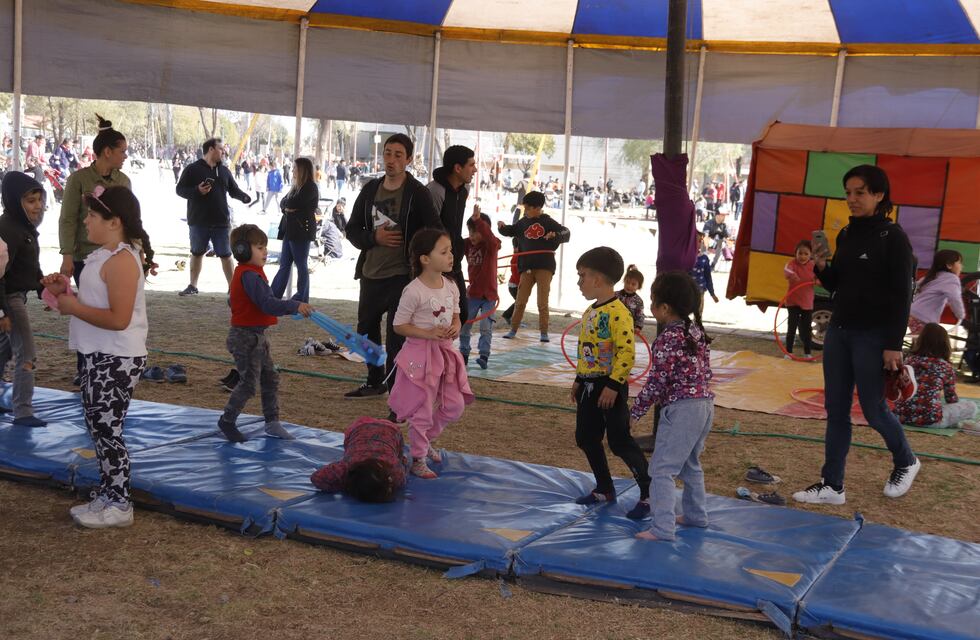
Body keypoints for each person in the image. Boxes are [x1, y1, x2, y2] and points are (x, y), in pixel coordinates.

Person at [793, 165, 919, 505]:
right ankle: (832, 485)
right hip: (839, 332)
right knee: (835, 410)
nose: (851, 199)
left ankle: (906, 460)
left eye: (859, 192)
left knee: (875, 409)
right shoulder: (846, 235)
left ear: (879, 195)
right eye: (848, 192)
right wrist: (821, 268)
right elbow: (838, 285)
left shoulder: (893, 238)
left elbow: (901, 294)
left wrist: (894, 344)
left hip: (874, 336)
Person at [41, 185, 154, 528]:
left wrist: (73, 305)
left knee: (107, 428)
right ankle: (108, 494)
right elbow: (97, 305)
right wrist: (65, 293)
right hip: (98, 353)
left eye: (91, 215)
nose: (86, 221)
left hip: (116, 357)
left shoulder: (121, 260)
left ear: (114, 221)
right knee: (97, 425)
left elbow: (119, 319)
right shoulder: (104, 256)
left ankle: (120, 503)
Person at [343, 133, 440, 399]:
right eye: (388, 153)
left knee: (397, 335)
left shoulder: (417, 193)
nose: (391, 160)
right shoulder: (369, 189)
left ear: (409, 159)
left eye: (398, 155)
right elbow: (351, 230)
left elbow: (435, 230)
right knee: (365, 330)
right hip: (371, 273)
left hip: (402, 276)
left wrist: (423, 261)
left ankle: (398, 390)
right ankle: (375, 381)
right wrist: (374, 237)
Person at [631, 272, 714, 542]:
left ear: (664, 308)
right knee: (690, 463)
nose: (651, 307)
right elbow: (707, 372)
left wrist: (634, 412)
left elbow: (656, 382)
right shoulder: (696, 332)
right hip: (704, 405)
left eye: (653, 302)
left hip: (683, 409)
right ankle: (695, 515)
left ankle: (663, 528)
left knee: (662, 469)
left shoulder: (668, 338)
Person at [388, 228, 474, 478]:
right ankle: (417, 457)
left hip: (446, 353)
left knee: (454, 406)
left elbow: (456, 316)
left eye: (451, 251)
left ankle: (425, 442)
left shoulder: (451, 285)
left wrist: (455, 327)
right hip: (420, 357)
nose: (451, 257)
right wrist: (429, 334)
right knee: (422, 409)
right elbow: (398, 326)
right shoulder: (413, 290)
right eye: (444, 252)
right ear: (425, 259)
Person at [572, 247, 651, 518]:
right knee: (585, 436)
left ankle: (649, 493)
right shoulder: (589, 312)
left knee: (619, 441)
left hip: (610, 387)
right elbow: (586, 348)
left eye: (582, 276)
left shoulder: (619, 312)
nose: (579, 282)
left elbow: (626, 352)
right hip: (589, 386)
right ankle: (604, 487)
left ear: (598, 279)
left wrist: (614, 386)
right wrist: (579, 379)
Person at [217, 224, 313, 443]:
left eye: (264, 247)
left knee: (270, 377)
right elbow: (267, 304)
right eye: (259, 247)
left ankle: (272, 422)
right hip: (245, 338)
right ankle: (227, 420)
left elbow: (234, 300)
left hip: (255, 336)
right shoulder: (249, 276)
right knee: (249, 383)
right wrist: (294, 305)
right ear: (242, 250)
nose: (265, 251)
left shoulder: (249, 274)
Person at [175, 137, 251, 297]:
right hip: (198, 221)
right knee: (197, 252)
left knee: (226, 254)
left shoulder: (224, 171)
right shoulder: (192, 169)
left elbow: (233, 190)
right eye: (221, 149)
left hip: (221, 221)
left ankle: (233, 289)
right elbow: (180, 190)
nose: (224, 151)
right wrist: (197, 191)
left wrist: (244, 197)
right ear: (211, 149)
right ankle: (193, 286)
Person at [0, 172, 47, 427]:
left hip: (15, 296)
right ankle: (23, 411)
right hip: (9, 299)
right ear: (13, 201)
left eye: (39, 199)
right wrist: (4, 313)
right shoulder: (7, 229)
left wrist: (44, 289)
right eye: (30, 201)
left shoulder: (23, 228)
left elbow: (29, 267)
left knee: (2, 352)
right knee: (27, 353)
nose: (37, 206)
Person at [497, 191, 571, 342]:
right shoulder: (523, 222)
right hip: (527, 267)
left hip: (545, 266)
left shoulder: (548, 222)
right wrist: (502, 228)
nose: (525, 211)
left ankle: (544, 332)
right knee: (520, 301)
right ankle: (513, 330)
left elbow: (566, 232)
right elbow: (511, 230)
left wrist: (555, 236)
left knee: (542, 302)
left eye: (527, 208)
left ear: (537, 208)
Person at [427, 145, 477, 325]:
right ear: (457, 168)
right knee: (436, 315)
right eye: (471, 165)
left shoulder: (464, 190)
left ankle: (445, 352)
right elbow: (429, 230)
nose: (475, 170)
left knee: (461, 314)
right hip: (435, 264)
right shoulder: (435, 191)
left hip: (453, 260)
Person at [895, 323, 977, 429]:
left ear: (920, 340)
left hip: (901, 416)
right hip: (931, 420)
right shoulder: (945, 366)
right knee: (972, 406)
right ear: (945, 344)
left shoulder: (908, 360)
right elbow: (951, 398)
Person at [310, 416, 409, 501]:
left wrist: (340, 486)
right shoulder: (346, 466)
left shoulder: (345, 467)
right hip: (374, 428)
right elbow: (316, 478)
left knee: (404, 460)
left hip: (386, 429)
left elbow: (317, 478)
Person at [271, 157, 318, 304]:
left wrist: (290, 207)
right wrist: (289, 208)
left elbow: (293, 202)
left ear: (302, 170)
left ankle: (302, 298)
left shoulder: (310, 187)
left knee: (301, 265)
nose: (292, 171)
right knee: (284, 264)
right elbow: (284, 203)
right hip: (290, 230)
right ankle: (274, 295)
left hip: (301, 231)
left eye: (295, 168)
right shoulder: (296, 187)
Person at [459, 207, 500, 368]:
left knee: (485, 326)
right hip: (473, 294)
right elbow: (453, 246)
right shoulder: (467, 244)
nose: (472, 235)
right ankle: (464, 353)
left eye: (476, 231)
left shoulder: (491, 246)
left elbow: (491, 238)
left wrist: (478, 221)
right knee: (464, 325)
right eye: (470, 231)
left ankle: (484, 355)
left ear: (485, 230)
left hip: (489, 295)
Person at [908, 249, 965, 335]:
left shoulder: (932, 276)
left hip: (912, 313)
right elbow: (955, 298)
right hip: (923, 318)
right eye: (959, 263)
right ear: (949, 265)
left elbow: (916, 288)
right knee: (929, 344)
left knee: (920, 341)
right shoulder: (951, 279)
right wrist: (960, 315)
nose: (962, 266)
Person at [783, 240, 815, 359]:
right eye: (800, 253)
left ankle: (807, 352)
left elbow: (820, 276)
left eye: (806, 253)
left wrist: (818, 281)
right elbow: (787, 271)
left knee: (807, 328)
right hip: (793, 302)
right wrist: (792, 275)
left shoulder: (813, 265)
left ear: (810, 254)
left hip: (807, 302)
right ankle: (788, 351)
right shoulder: (792, 264)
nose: (802, 256)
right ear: (795, 253)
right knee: (791, 327)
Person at [689, 231, 718, 312]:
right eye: (694, 241)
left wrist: (712, 294)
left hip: (700, 291)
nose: (698, 243)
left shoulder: (704, 258)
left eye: (699, 241)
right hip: (686, 291)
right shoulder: (684, 258)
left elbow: (708, 277)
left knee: (698, 313)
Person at [615, 264, 645, 333]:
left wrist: (638, 327)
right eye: (627, 282)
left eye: (633, 284)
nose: (629, 285)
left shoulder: (638, 301)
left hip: (629, 330)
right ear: (624, 281)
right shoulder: (615, 295)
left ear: (638, 286)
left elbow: (640, 315)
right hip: (613, 327)